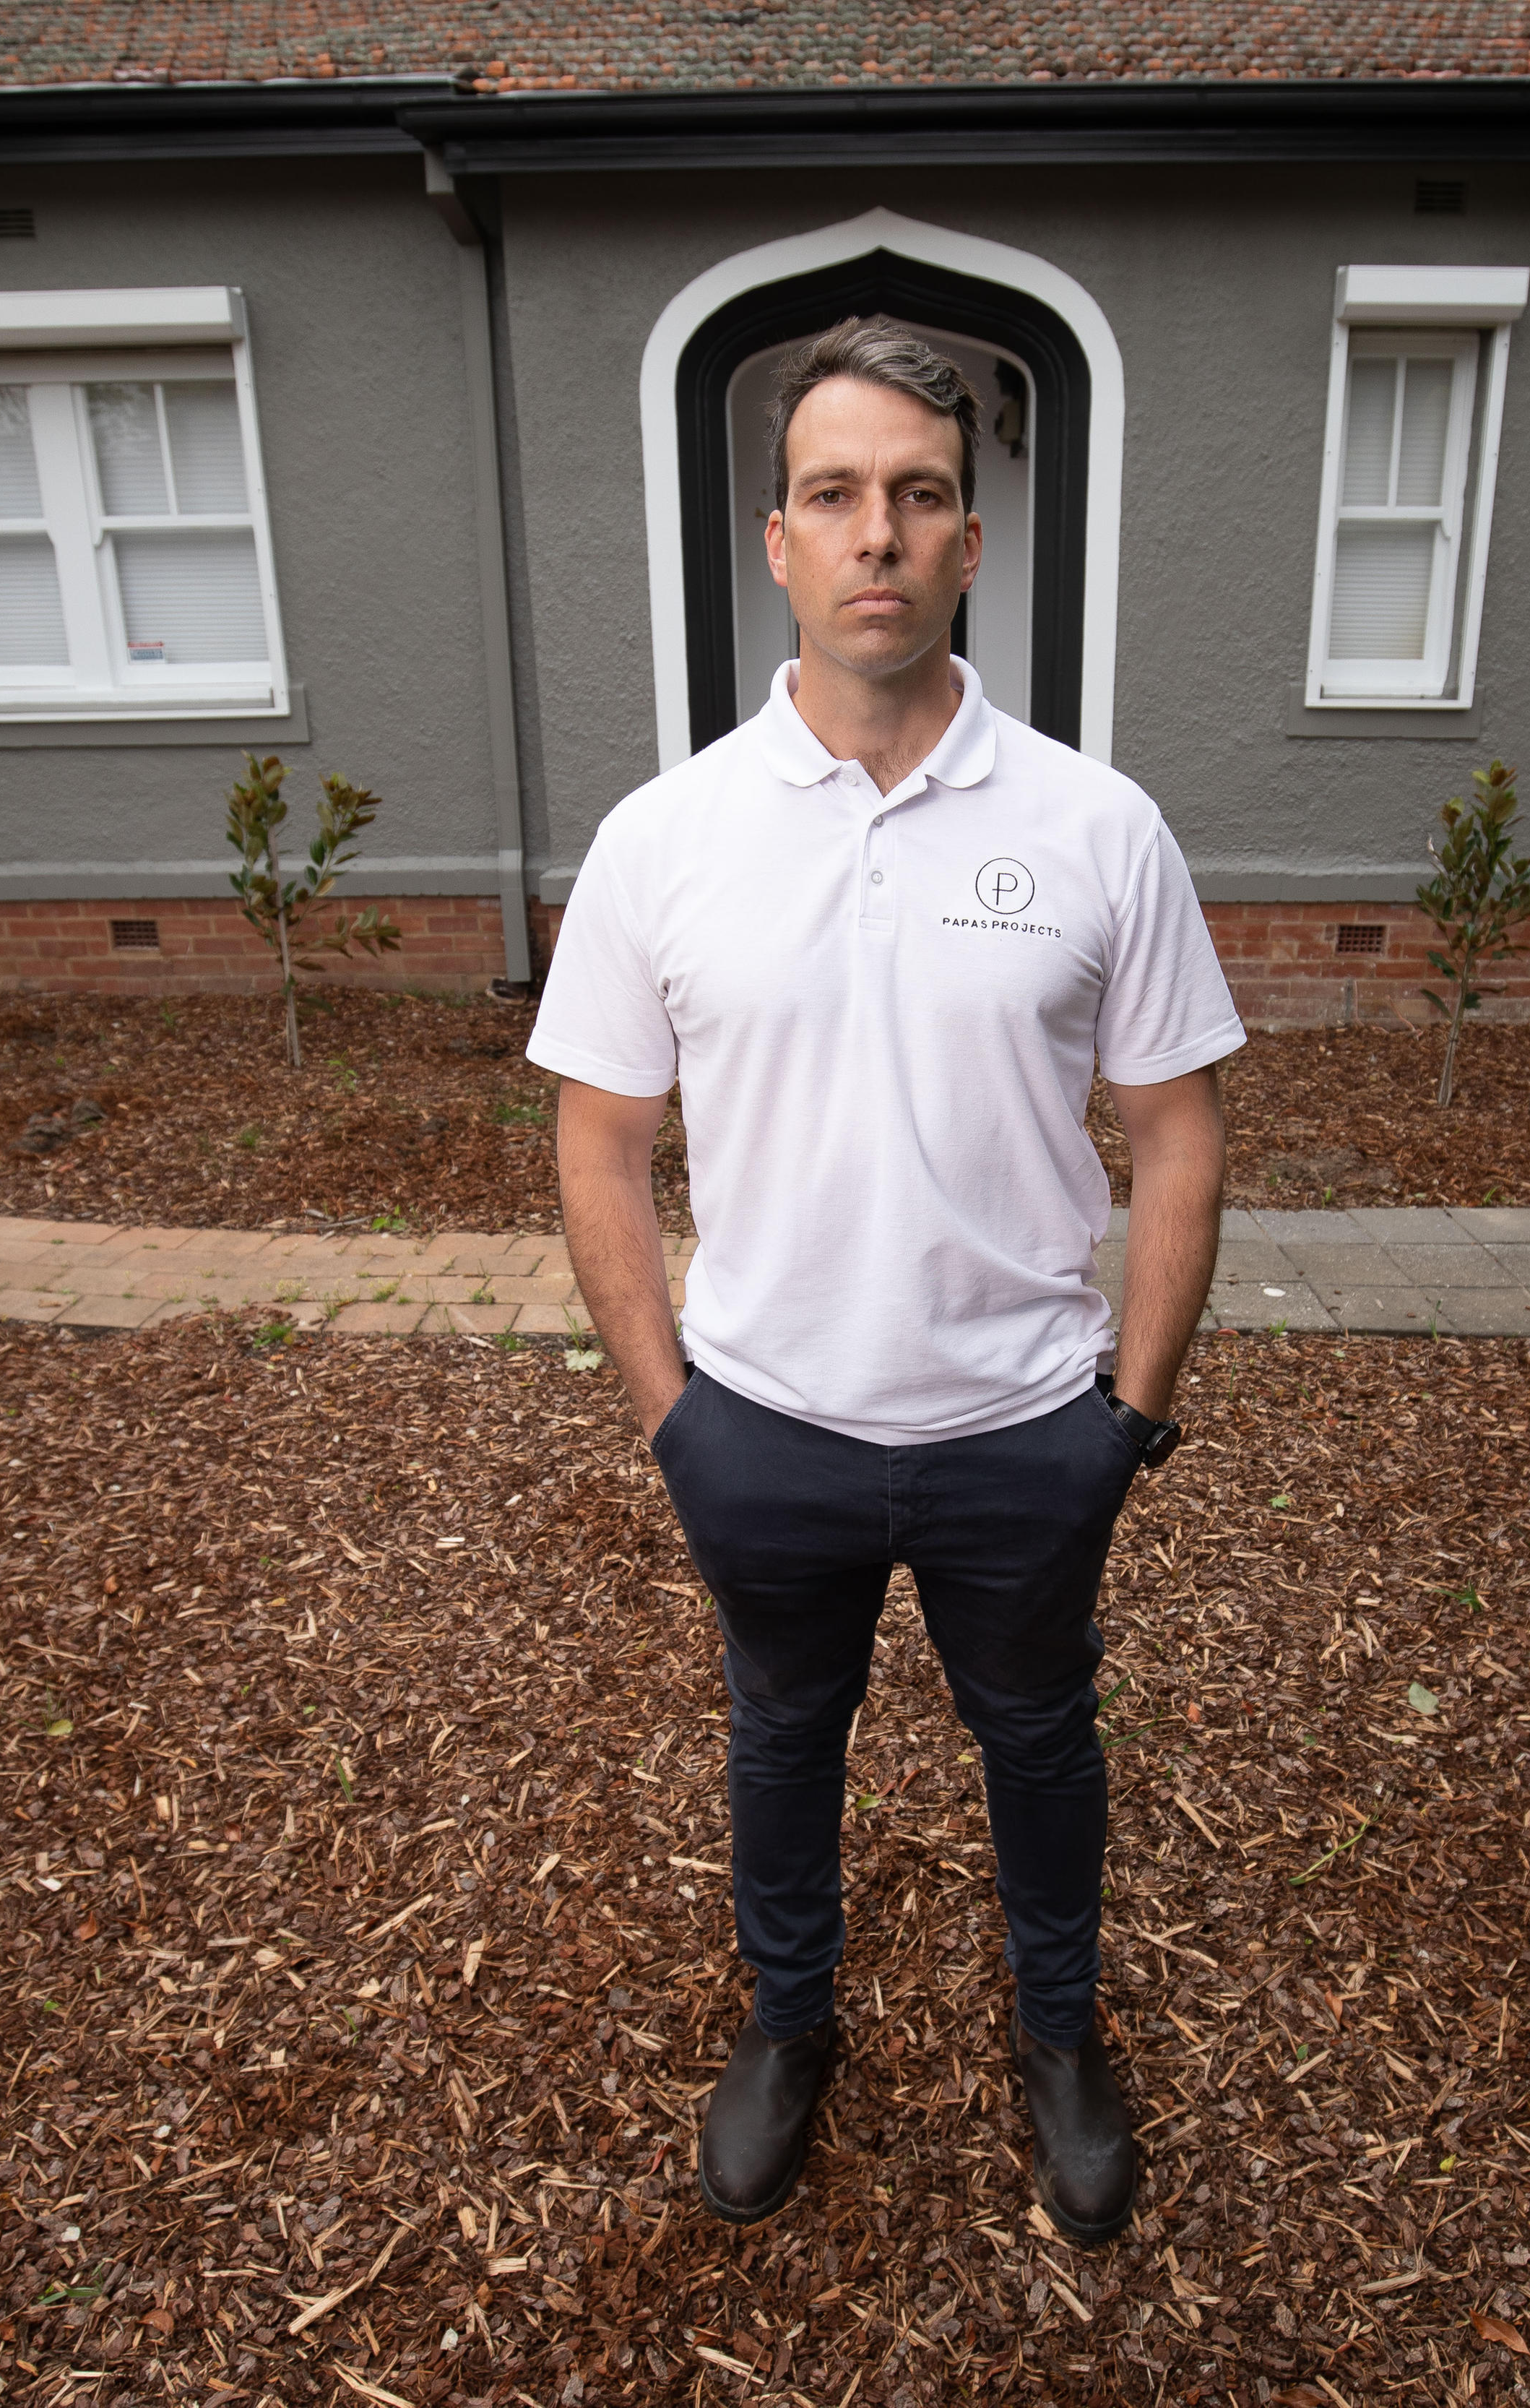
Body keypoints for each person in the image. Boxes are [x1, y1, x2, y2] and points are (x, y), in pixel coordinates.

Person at [528, 319, 1242, 2245]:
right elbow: (600, 1138)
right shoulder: (663, 839)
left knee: (1043, 1742)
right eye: (836, 496)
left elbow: (1177, 1128)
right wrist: (675, 1416)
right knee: (783, 1737)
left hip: (1028, 1430)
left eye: (920, 496)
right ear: (778, 541)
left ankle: (1064, 2037)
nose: (880, 534)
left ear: (971, 541)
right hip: (768, 1429)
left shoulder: (1098, 828)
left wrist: (1135, 1414)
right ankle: (787, 2028)